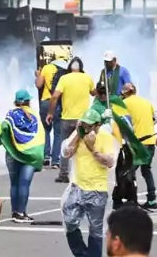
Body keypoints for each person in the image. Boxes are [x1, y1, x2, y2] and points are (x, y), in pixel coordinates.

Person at [61, 109, 116, 257]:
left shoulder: (105, 136)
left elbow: (110, 162)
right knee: (70, 222)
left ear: (98, 125)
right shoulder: (79, 135)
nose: (87, 128)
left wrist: (93, 149)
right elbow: (66, 153)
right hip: (78, 186)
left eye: (90, 125)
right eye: (84, 124)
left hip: (97, 189)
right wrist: (78, 135)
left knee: (95, 229)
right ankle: (82, 254)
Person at [48, 56, 95, 183]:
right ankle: (84, 173)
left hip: (67, 118)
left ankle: (64, 173)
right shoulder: (87, 78)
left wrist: (50, 113)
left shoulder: (64, 78)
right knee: (84, 145)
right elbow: (94, 93)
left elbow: (54, 97)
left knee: (66, 145)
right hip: (83, 119)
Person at [0, 90, 45, 223]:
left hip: (13, 154)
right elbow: (40, 135)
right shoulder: (34, 115)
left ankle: (15, 212)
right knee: (24, 184)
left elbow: (3, 129)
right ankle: (21, 212)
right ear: (28, 101)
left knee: (14, 184)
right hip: (30, 156)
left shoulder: (10, 115)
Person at [121, 83, 157, 210]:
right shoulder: (146, 102)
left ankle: (131, 200)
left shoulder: (125, 103)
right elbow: (156, 117)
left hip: (138, 142)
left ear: (125, 93)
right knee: (146, 170)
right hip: (150, 140)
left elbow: (122, 122)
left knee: (129, 171)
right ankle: (152, 199)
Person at [35, 53, 66, 168]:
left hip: (45, 102)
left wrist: (38, 75)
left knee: (46, 130)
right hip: (58, 102)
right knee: (58, 133)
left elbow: (39, 85)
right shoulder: (66, 70)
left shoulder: (47, 68)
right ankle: (55, 161)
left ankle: (46, 156)